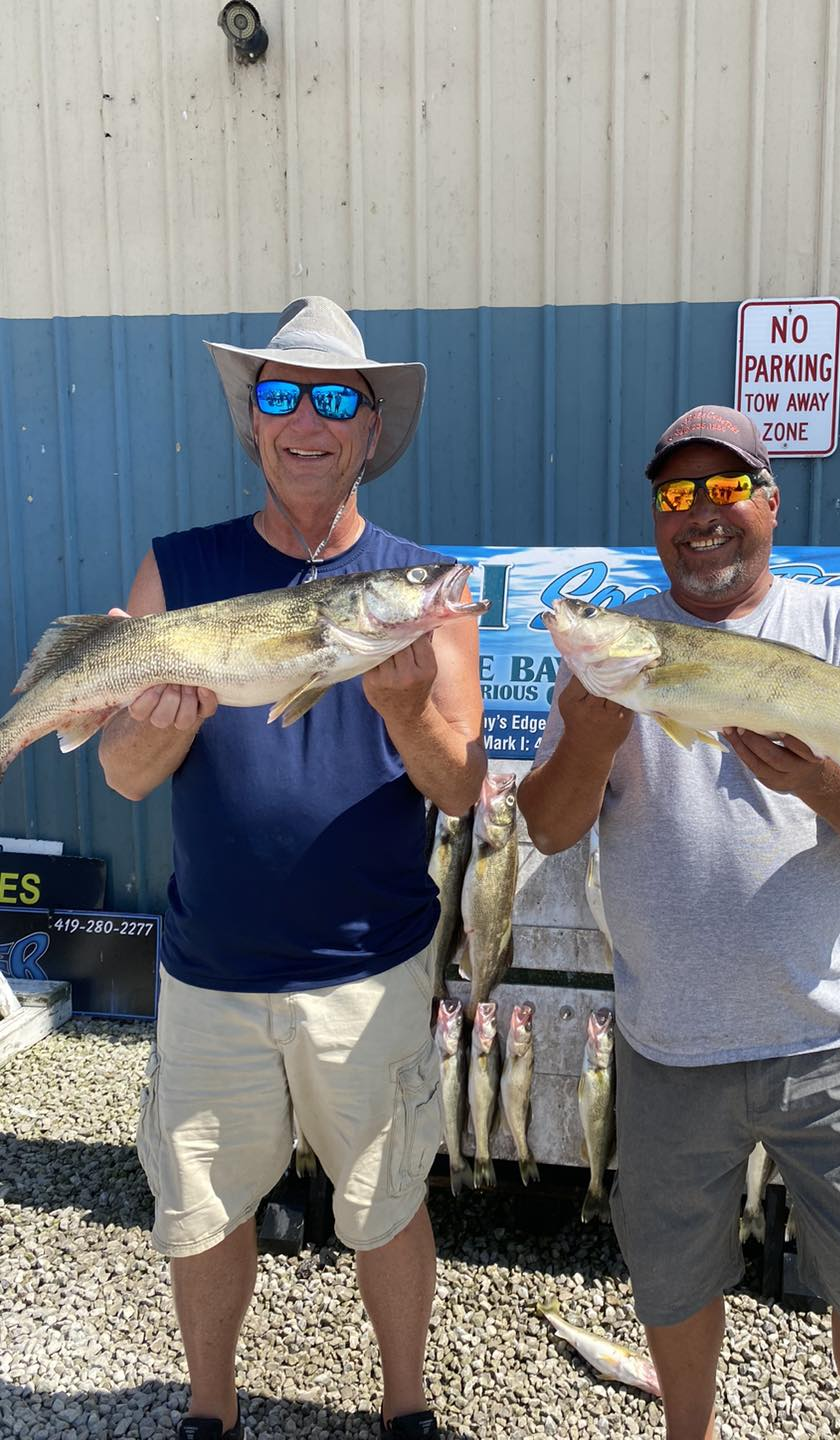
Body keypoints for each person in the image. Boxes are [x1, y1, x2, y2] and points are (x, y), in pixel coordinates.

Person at [100, 297, 486, 1440]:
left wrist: (408, 710)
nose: (305, 420)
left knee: (386, 1199)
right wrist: (156, 728)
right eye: (280, 395)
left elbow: (461, 786)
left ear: (371, 429)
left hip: (369, 969)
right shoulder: (179, 570)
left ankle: (406, 1406)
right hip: (211, 969)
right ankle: (208, 1411)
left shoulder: (425, 589)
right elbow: (122, 774)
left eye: (333, 399)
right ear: (253, 423)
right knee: (204, 1204)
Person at [518, 405, 840, 1440]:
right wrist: (591, 736)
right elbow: (549, 828)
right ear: (655, 518)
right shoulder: (614, 656)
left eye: (724, 487)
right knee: (672, 1283)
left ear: (770, 502)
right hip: (667, 1046)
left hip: (830, 1038)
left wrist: (819, 785)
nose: (700, 513)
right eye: (676, 494)